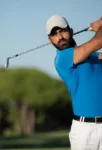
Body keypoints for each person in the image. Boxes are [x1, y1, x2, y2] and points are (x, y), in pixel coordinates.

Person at [46, 15, 102, 150]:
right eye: (54, 34)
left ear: (70, 31)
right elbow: (98, 42)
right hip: (85, 131)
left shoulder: (94, 56)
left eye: (62, 31)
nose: (60, 37)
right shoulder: (62, 58)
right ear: (50, 40)